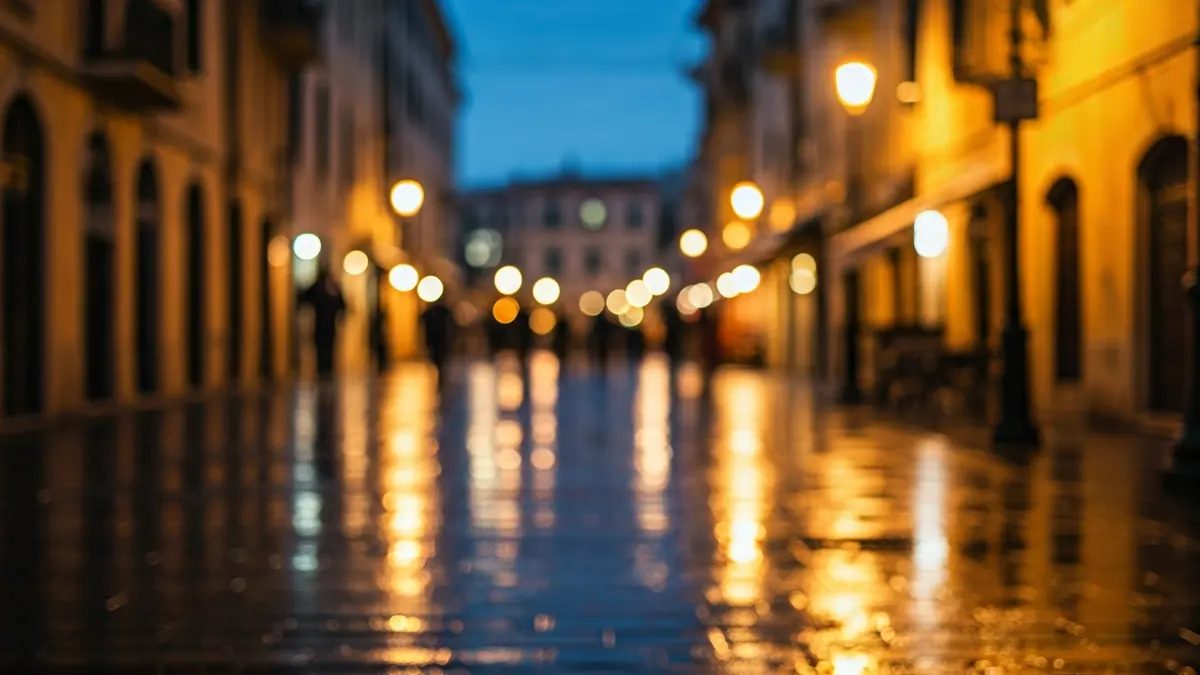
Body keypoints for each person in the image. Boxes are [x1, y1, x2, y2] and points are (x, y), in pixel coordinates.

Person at [298, 263, 346, 379]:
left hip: (328, 324)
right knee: (322, 347)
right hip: (321, 324)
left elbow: (342, 304)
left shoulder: (332, 287)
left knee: (327, 347)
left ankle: (327, 368)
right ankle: (323, 369)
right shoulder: (321, 287)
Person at [420, 297, 453, 376]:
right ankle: (438, 367)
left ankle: (439, 368)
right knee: (437, 354)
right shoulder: (440, 311)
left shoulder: (441, 311)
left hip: (438, 337)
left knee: (437, 353)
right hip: (437, 337)